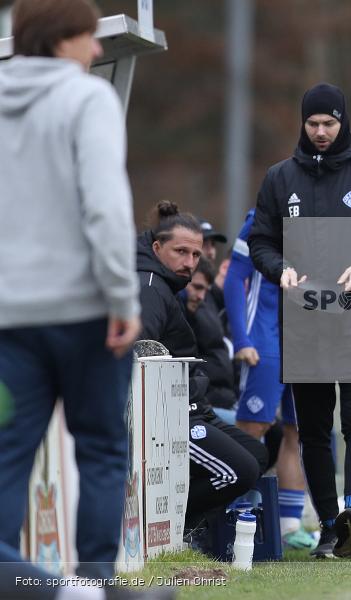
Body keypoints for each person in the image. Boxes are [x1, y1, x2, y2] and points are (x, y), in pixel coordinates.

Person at [0, 0, 154, 596]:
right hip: (86, 313)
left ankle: (13, 579)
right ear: (65, 39)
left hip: (11, 319)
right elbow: (106, 208)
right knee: (102, 451)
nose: (96, 52)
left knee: (9, 454)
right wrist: (123, 297)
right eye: (90, 39)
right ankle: (95, 583)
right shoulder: (87, 100)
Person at [249, 82, 351, 558]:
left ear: (343, 122)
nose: (320, 132)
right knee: (313, 430)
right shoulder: (279, 177)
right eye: (312, 124)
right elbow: (261, 241)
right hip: (305, 322)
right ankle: (330, 526)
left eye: (329, 124)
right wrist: (280, 269)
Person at [137, 201, 268, 534]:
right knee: (238, 471)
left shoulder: (166, 285)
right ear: (156, 248)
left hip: (196, 405)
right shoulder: (150, 288)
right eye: (181, 252)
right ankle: (169, 531)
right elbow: (140, 355)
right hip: (170, 415)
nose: (190, 262)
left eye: (196, 255)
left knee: (257, 453)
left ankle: (197, 527)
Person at [225, 208, 315, 550]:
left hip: (308, 338)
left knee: (299, 430)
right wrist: (242, 339)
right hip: (265, 336)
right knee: (253, 427)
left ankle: (289, 527)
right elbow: (235, 277)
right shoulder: (261, 216)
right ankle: (239, 515)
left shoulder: (327, 213)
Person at [179, 257, 238, 413]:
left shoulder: (203, 308)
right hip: (200, 404)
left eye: (205, 290)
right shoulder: (174, 314)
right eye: (197, 288)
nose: (201, 296)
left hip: (222, 398)